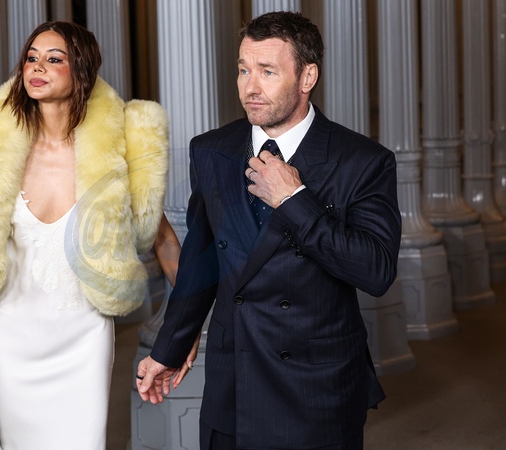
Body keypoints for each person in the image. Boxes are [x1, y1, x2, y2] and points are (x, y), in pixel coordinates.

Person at [136, 11, 401, 450]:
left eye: (268, 71)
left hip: (315, 388)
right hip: (234, 382)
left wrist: (294, 200)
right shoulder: (212, 150)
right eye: (243, 70)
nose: (250, 87)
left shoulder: (362, 160)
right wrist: (169, 348)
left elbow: (375, 272)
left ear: (307, 76)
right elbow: (202, 262)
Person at [0, 21, 186, 450]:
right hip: (9, 335)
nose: (37, 67)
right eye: (31, 58)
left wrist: (188, 323)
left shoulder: (111, 151)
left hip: (83, 335)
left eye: (54, 59)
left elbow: (163, 240)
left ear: (83, 70)